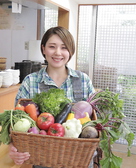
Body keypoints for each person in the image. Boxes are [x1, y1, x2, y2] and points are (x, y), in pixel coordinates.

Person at [9, 26, 95, 168]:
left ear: (71, 51)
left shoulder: (83, 80)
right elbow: (14, 121)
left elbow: (94, 119)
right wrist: (12, 148)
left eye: (64, 47)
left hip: (78, 160)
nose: (58, 53)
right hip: (43, 159)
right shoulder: (31, 81)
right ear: (43, 49)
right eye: (52, 47)